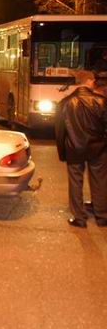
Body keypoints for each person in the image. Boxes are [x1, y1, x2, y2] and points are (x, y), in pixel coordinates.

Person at [54, 70, 107, 228]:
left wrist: (62, 153)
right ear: (89, 81)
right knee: (100, 181)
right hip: (98, 148)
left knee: (75, 182)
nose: (95, 82)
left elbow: (60, 132)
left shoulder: (65, 103)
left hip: (74, 148)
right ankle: (102, 216)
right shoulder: (101, 101)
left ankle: (79, 218)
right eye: (94, 80)